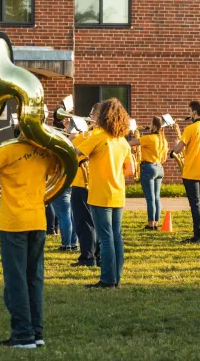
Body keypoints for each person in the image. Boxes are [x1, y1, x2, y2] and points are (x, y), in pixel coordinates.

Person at [0, 121, 53, 349]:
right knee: (34, 279)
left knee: (16, 281)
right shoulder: (46, 151)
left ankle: (23, 336)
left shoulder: (9, 149)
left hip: (14, 222)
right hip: (38, 220)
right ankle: (37, 333)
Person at [75, 98, 133, 289]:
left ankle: (108, 280)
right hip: (118, 192)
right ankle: (116, 278)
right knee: (116, 236)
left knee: (105, 238)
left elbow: (76, 153)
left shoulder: (98, 136)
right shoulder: (123, 141)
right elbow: (130, 170)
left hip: (100, 192)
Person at [170, 100, 200, 243]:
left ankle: (198, 236)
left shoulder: (190, 128)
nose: (188, 114)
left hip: (191, 170)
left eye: (189, 111)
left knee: (195, 205)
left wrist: (173, 149)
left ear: (194, 112)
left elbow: (178, 149)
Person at [69, 103, 101, 267]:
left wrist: (73, 133)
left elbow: (70, 147)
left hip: (82, 183)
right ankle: (98, 254)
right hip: (97, 184)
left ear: (96, 116)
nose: (89, 116)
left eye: (91, 114)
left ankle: (87, 257)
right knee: (97, 222)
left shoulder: (89, 136)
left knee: (83, 222)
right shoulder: (105, 135)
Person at [128, 117, 168, 230]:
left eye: (150, 124)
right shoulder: (164, 140)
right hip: (159, 167)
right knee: (156, 198)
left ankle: (150, 224)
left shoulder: (149, 138)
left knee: (150, 198)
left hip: (148, 167)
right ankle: (155, 223)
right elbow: (164, 159)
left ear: (155, 126)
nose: (148, 126)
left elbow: (130, 143)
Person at [50, 110, 77, 251]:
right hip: (73, 180)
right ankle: (73, 243)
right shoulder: (79, 137)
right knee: (70, 213)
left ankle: (67, 244)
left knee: (64, 214)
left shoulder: (62, 141)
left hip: (61, 180)